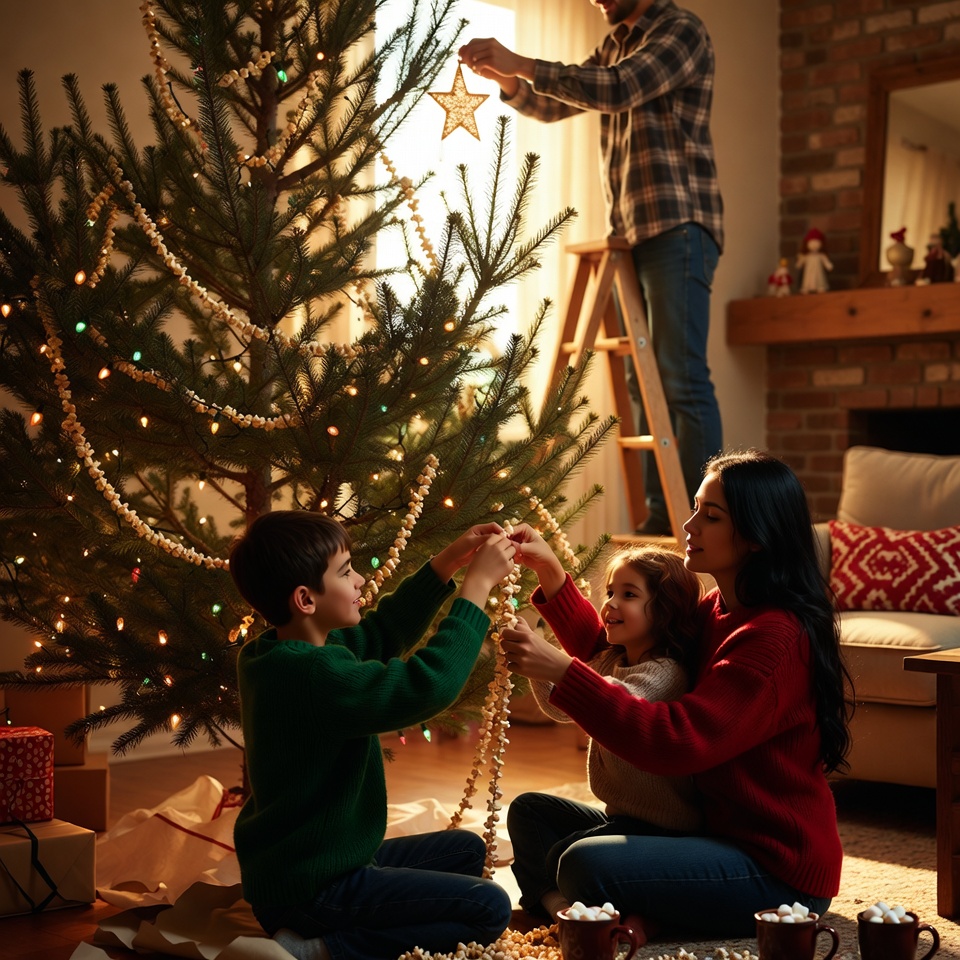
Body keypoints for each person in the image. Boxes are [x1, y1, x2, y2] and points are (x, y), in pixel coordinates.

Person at [499, 450, 853, 939]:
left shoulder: (774, 638)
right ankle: (588, 912)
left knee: (582, 863)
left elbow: (677, 741)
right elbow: (618, 654)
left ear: (754, 536)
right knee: (535, 814)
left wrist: (563, 671)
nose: (689, 525)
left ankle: (621, 919)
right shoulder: (716, 609)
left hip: (774, 872)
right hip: (703, 834)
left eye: (710, 517)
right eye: (695, 509)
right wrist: (552, 575)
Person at [459, 0, 724, 536]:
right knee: (642, 378)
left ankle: (713, 520)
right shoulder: (616, 43)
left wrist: (522, 62)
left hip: (680, 227)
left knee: (681, 376)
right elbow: (558, 103)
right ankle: (664, 514)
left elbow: (618, 87)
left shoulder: (681, 31)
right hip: (631, 233)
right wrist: (508, 82)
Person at [228, 511, 515, 960]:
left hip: (314, 865)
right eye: (345, 572)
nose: (361, 579)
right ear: (305, 599)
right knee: (490, 908)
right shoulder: (311, 675)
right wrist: (475, 590)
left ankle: (337, 925)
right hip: (314, 889)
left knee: (467, 850)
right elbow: (426, 686)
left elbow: (383, 632)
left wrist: (447, 562)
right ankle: (320, 949)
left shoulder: (282, 651)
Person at [504, 542, 702, 930]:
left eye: (628, 595)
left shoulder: (666, 672)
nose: (610, 603)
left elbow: (615, 700)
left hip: (664, 831)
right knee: (528, 810)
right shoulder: (613, 656)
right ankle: (556, 904)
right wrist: (537, 665)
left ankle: (596, 910)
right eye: (610, 592)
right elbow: (562, 707)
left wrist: (557, 665)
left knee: (567, 855)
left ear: (664, 610)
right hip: (621, 817)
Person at [795, 228, 833, 294]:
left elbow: (826, 262)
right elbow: (800, 262)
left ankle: (820, 287)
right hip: (808, 272)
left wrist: (829, 266)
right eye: (812, 243)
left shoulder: (821, 256)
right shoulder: (806, 256)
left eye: (816, 243)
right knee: (807, 279)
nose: (814, 245)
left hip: (818, 271)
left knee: (820, 278)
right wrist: (799, 263)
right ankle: (806, 288)